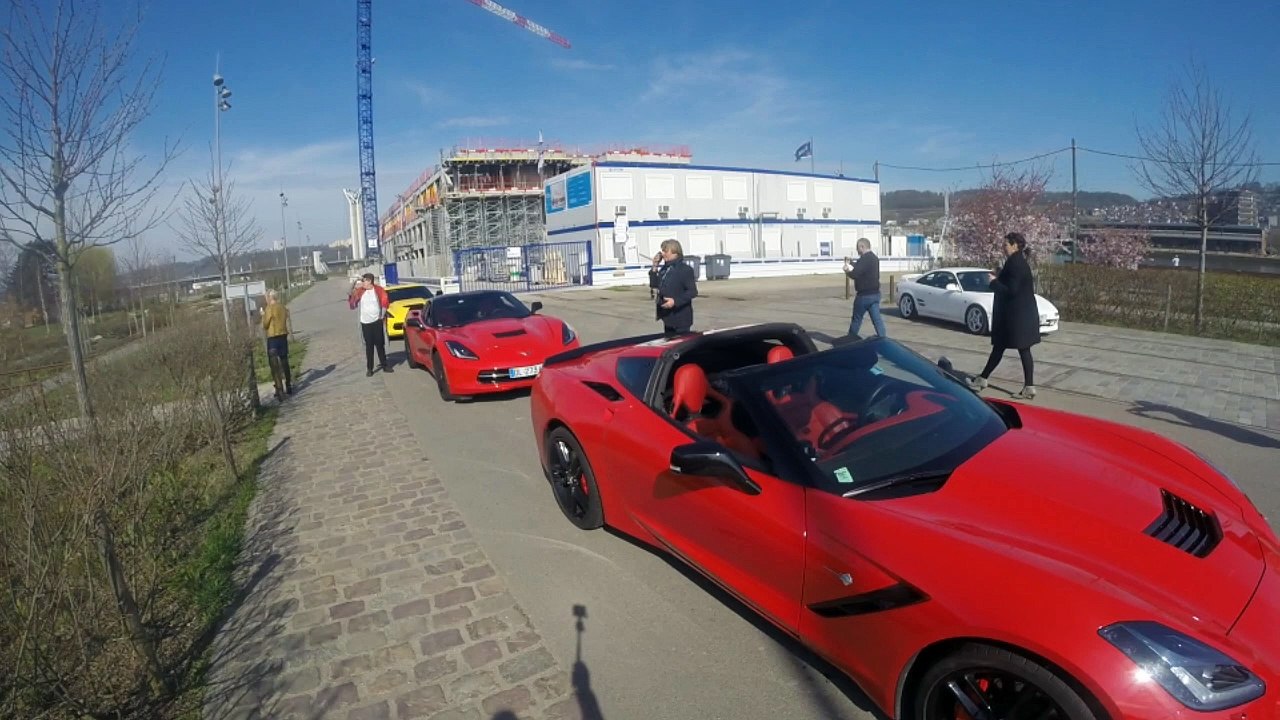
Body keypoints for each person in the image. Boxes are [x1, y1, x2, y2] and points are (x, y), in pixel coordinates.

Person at [970, 232, 1039, 399]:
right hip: (1020, 316)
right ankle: (1026, 386)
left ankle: (983, 379)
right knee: (1016, 349)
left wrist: (994, 282)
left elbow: (1011, 290)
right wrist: (1000, 274)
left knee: (1004, 347)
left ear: (1015, 245)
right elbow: (1013, 283)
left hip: (1015, 317)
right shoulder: (1018, 261)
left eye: (1006, 244)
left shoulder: (1015, 263)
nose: (1003, 247)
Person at [348, 273, 392, 377]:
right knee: (369, 346)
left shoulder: (378, 290)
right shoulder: (360, 291)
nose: (362, 283)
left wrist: (382, 315)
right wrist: (354, 284)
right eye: (362, 281)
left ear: (369, 281)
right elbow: (352, 301)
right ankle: (369, 369)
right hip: (365, 323)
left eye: (364, 281)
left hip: (377, 321)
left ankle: (384, 365)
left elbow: (385, 302)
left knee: (380, 344)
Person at [653, 239, 698, 335]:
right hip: (667, 316)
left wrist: (675, 301)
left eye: (665, 251)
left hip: (680, 317)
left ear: (675, 252)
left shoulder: (684, 269)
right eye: (662, 251)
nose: (662, 254)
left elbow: (692, 292)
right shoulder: (665, 269)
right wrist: (655, 266)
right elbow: (654, 284)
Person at [843, 238, 886, 338]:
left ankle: (850, 340)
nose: (857, 251)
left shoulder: (864, 259)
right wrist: (851, 262)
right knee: (877, 320)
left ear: (862, 247)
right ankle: (883, 338)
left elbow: (855, 274)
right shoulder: (874, 258)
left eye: (858, 248)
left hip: (864, 296)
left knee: (856, 319)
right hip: (875, 294)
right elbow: (861, 267)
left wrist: (847, 271)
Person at [261, 289, 293, 399]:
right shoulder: (282, 307)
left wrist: (263, 315)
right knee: (284, 361)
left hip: (273, 337)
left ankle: (279, 389)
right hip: (283, 335)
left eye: (266, 297)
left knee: (274, 364)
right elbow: (286, 317)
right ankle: (288, 385)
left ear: (270, 298)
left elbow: (265, 325)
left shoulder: (269, 308)